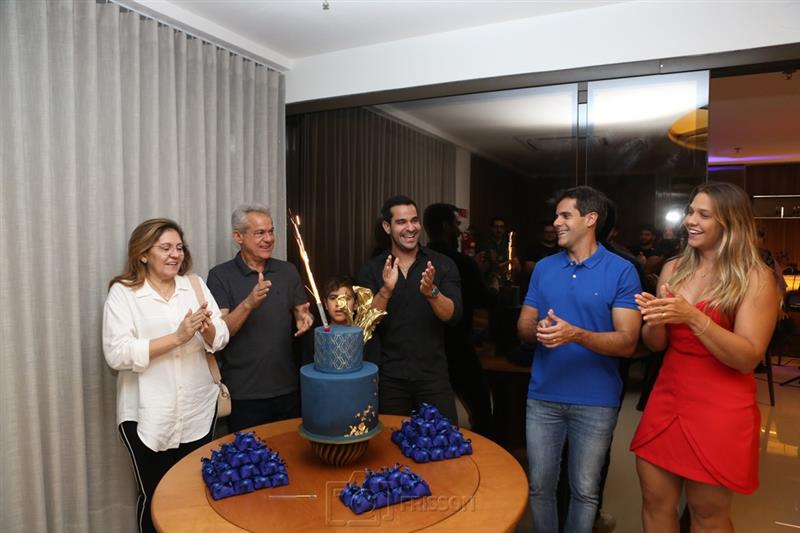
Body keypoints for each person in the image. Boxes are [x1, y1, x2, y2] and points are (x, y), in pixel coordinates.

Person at [630, 182, 780, 532]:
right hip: (668, 398)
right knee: (654, 503)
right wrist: (654, 319)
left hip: (720, 409)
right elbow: (655, 344)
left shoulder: (756, 278)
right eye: (690, 211)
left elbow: (747, 357)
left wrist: (693, 317)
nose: (690, 221)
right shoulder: (674, 268)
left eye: (703, 214)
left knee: (708, 516)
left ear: (730, 222)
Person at [517, 186, 642, 533]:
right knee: (540, 487)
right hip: (543, 396)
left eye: (565, 215)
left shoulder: (621, 271)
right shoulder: (544, 268)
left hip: (596, 400)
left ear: (590, 219)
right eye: (556, 216)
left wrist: (576, 334)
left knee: (584, 491)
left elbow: (627, 342)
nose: (556, 222)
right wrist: (536, 329)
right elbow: (523, 325)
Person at [103, 218, 230, 533]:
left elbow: (221, 337)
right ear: (143, 254)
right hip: (147, 416)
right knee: (155, 498)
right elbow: (117, 354)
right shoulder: (124, 293)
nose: (175, 254)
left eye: (179, 247)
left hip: (197, 411)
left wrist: (207, 328)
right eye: (165, 248)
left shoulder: (194, 285)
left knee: (195, 497)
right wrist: (177, 338)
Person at [207, 204, 314, 432]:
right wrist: (249, 303)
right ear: (238, 236)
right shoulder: (220, 276)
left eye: (271, 231)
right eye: (259, 233)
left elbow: (301, 311)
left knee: (289, 450)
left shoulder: (287, 271)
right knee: (249, 454)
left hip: (287, 388)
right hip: (244, 393)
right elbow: (220, 333)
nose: (268, 239)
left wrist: (305, 318)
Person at [357, 195, 463, 423]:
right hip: (390, 381)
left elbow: (453, 316)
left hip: (433, 378)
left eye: (414, 220)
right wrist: (386, 290)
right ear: (387, 227)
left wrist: (432, 293)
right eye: (401, 222)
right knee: (390, 442)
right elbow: (365, 325)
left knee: (444, 441)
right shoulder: (372, 270)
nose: (411, 228)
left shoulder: (442, 264)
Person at [423, 202, 497, 437]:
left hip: (427, 349)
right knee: (482, 409)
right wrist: (491, 284)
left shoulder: (420, 262)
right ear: (446, 227)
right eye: (456, 225)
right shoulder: (462, 263)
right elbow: (485, 299)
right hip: (458, 347)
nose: (458, 231)